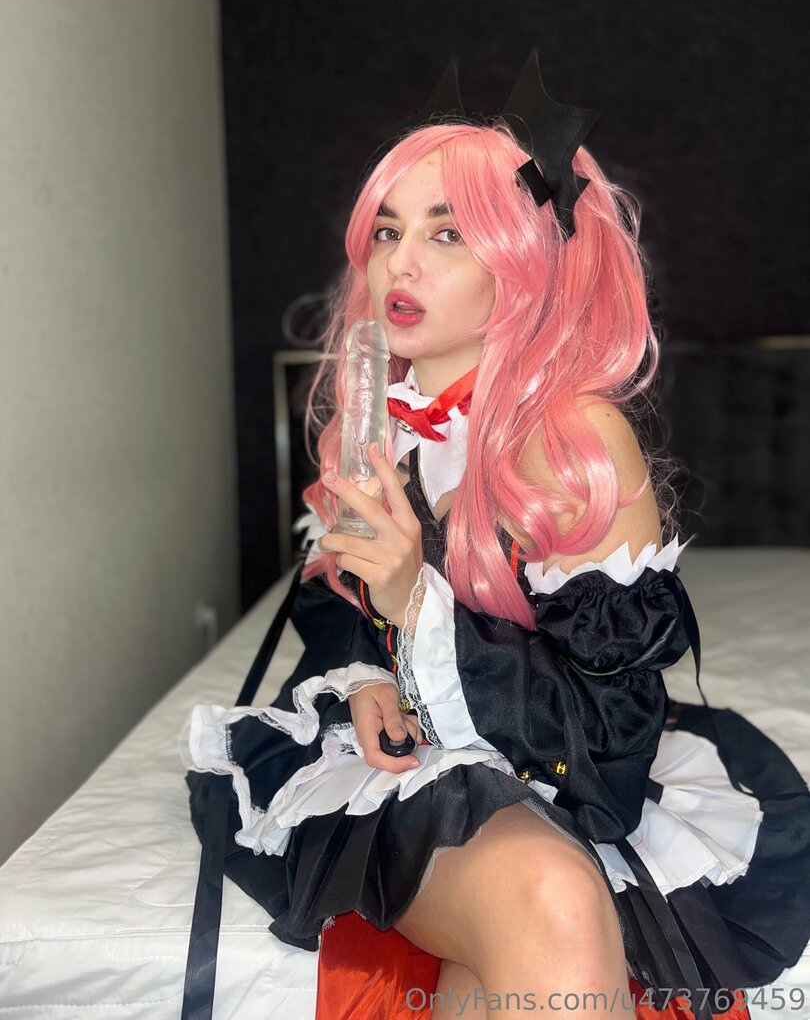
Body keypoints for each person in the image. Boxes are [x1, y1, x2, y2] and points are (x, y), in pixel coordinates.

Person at [184, 57, 810, 1020]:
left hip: (569, 769)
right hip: (400, 767)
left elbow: (607, 753)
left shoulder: (576, 444)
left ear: (522, 265)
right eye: (388, 230)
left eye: (448, 233)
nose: (400, 263)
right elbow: (332, 604)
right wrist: (369, 675)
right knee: (547, 902)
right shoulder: (373, 422)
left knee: (543, 910)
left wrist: (414, 603)